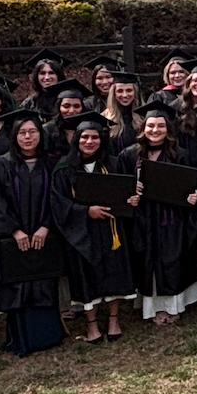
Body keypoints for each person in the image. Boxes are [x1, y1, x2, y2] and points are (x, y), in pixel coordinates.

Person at [0, 110, 74, 358]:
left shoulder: (53, 163)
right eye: (22, 132)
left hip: (45, 235)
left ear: (40, 135)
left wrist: (46, 226)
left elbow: (59, 200)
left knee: (44, 282)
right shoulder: (0, 164)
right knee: (18, 286)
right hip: (15, 240)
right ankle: (22, 338)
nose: (27, 137)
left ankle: (49, 334)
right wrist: (15, 230)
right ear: (14, 136)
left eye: (32, 131)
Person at [56, 113, 134, 342]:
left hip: (111, 230)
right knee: (86, 276)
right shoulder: (64, 168)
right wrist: (86, 211)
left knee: (114, 273)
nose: (89, 142)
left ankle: (113, 319)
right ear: (76, 139)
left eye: (95, 137)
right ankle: (91, 324)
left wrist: (130, 200)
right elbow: (58, 202)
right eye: (84, 137)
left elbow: (124, 192)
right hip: (82, 233)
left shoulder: (113, 163)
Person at [127, 105, 197, 325]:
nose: (155, 130)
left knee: (173, 261)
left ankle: (172, 306)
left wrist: (193, 197)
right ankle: (152, 307)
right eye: (151, 125)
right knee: (147, 261)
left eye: (161, 126)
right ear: (143, 128)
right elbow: (122, 186)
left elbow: (192, 185)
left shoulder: (180, 155)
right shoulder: (130, 155)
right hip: (144, 218)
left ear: (168, 129)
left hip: (172, 218)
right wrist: (131, 194)